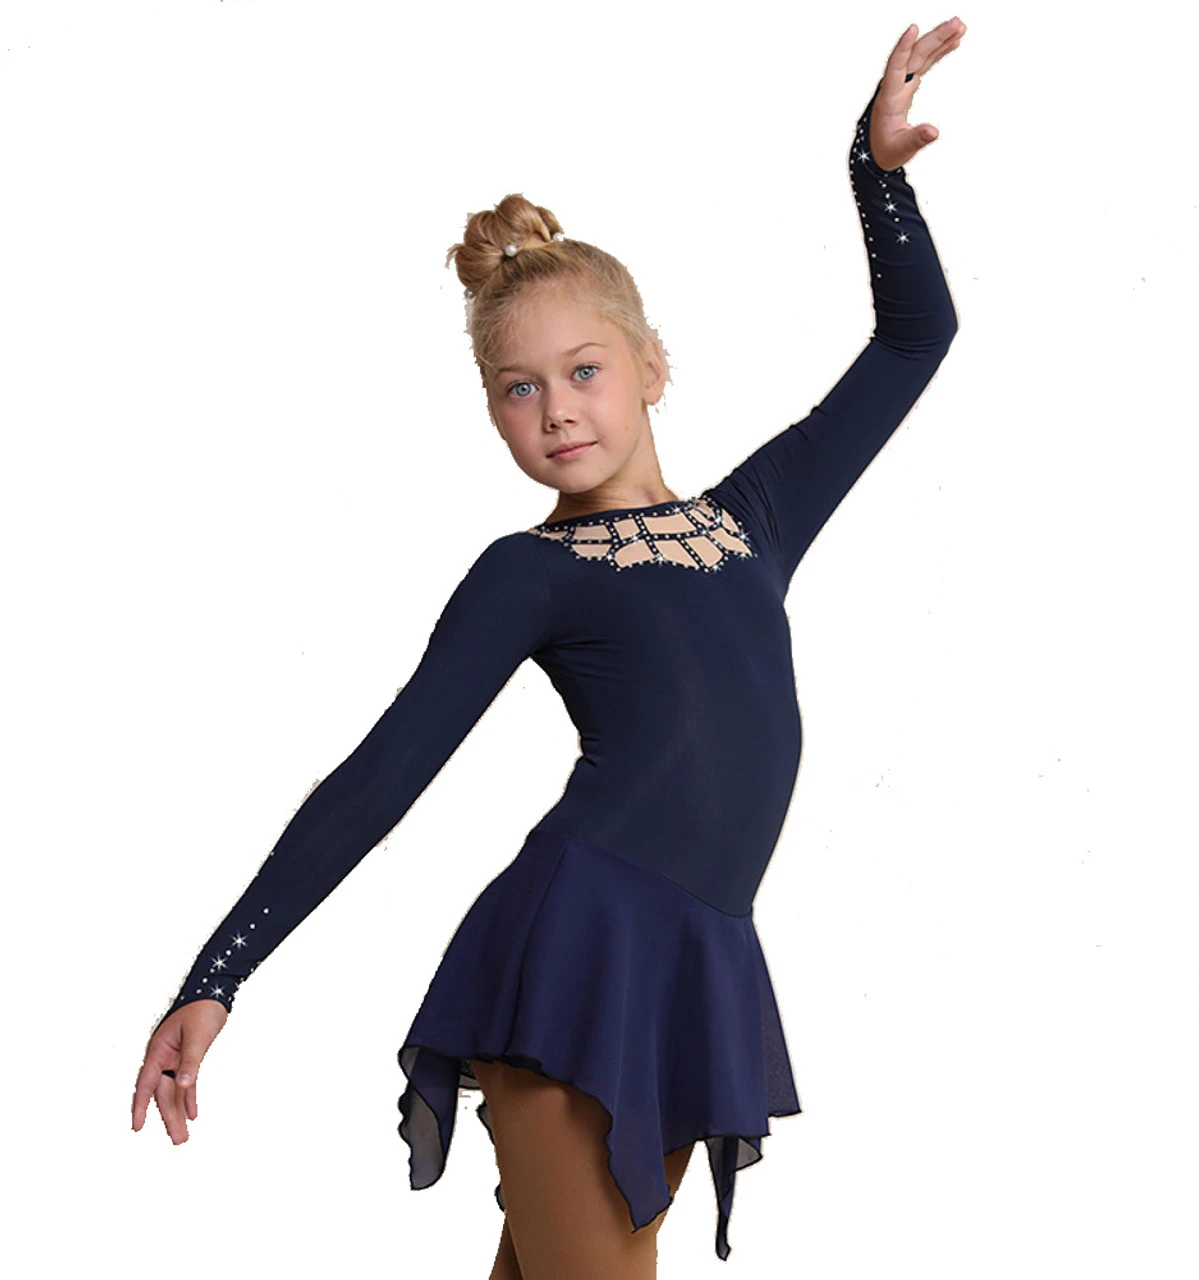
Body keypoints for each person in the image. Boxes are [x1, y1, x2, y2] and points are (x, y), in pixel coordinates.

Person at [131, 17, 965, 1277]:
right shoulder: (529, 572)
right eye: (518, 388)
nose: (557, 409)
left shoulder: (753, 518)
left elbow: (911, 341)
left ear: (650, 365)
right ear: (492, 413)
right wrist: (220, 970)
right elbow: (383, 773)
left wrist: (874, 172)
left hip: (694, 964)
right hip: (581, 956)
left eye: (582, 370)